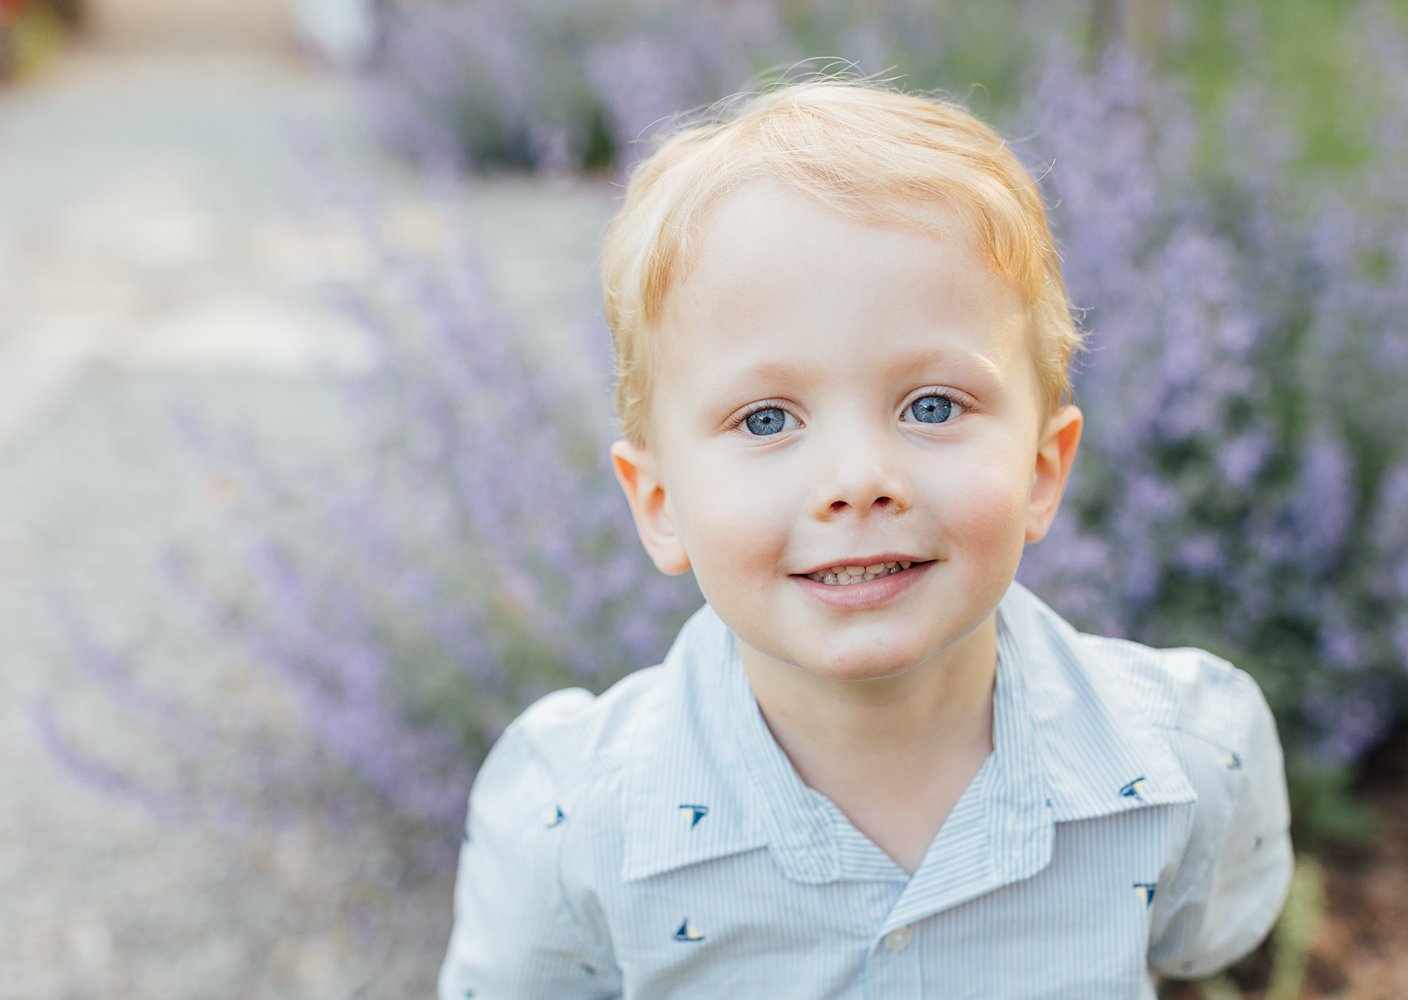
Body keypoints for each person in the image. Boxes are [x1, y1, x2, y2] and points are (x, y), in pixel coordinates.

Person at [439, 78, 1292, 999]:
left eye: (932, 405)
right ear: (659, 503)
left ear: (1043, 471)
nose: (855, 481)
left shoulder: (1183, 765)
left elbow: (1198, 949)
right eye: (766, 420)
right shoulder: (570, 824)